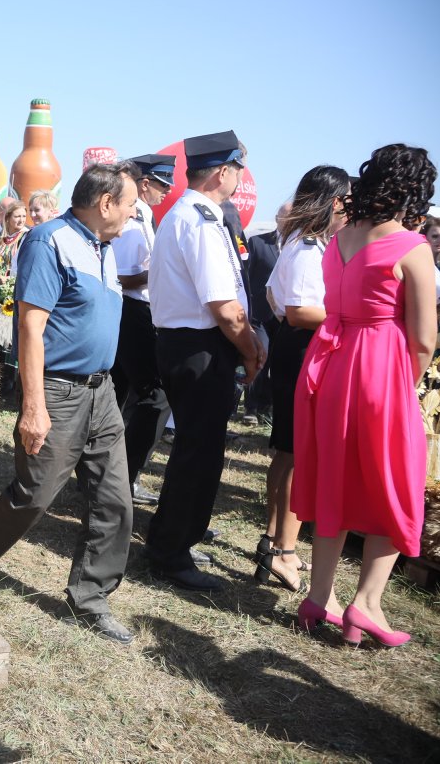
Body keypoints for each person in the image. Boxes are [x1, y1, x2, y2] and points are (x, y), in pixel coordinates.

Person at [0, 163, 139, 644]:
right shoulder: (49, 241)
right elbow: (30, 328)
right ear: (104, 204)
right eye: (129, 204)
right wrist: (33, 407)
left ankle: (91, 597)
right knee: (35, 493)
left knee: (115, 499)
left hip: (102, 394)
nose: (133, 213)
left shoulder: (105, 248)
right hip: (57, 391)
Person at [293, 144, 436, 646]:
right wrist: (405, 387)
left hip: (331, 365)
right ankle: (367, 605)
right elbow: (422, 339)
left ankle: (318, 597)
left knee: (334, 479)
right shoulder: (411, 246)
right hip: (381, 369)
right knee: (395, 485)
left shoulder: (339, 240)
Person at [145, 130, 265, 591]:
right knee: (198, 454)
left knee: (199, 451)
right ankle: (171, 552)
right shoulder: (198, 219)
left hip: (194, 345)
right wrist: (251, 351)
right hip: (198, 347)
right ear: (223, 171)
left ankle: (179, 540)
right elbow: (225, 307)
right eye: (237, 169)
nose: (239, 178)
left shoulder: (196, 216)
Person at [256, 167, 348, 592]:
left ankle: (274, 540)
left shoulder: (297, 241)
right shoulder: (310, 248)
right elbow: (299, 311)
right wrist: (350, 319)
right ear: (333, 202)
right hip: (300, 347)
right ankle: (285, 551)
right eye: (347, 201)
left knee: (287, 452)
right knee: (298, 453)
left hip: (291, 347)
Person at [109, 154, 175, 506]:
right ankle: (125, 476)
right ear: (145, 183)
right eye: (162, 184)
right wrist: (160, 271)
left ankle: (110, 475)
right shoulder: (134, 218)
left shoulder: (145, 216)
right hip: (132, 309)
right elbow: (121, 275)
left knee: (120, 394)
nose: (166, 192)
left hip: (139, 309)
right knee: (154, 396)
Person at [242, 202, 292, 425]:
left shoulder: (299, 246)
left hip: (284, 316)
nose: (287, 221)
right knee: (259, 358)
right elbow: (246, 277)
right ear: (277, 218)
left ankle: (266, 406)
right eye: (284, 216)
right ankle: (250, 408)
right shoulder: (258, 243)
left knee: (278, 362)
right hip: (260, 313)